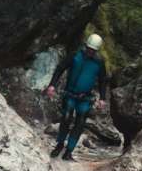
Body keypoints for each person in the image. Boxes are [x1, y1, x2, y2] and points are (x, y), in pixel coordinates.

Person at [46, 33, 108, 161]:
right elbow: (60, 68)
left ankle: (69, 151)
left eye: (93, 50)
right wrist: (52, 85)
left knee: (80, 124)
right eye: (89, 49)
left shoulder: (99, 62)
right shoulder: (75, 55)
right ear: (86, 46)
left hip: (85, 98)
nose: (90, 52)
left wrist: (102, 98)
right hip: (70, 94)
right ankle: (59, 145)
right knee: (66, 118)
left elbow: (103, 80)